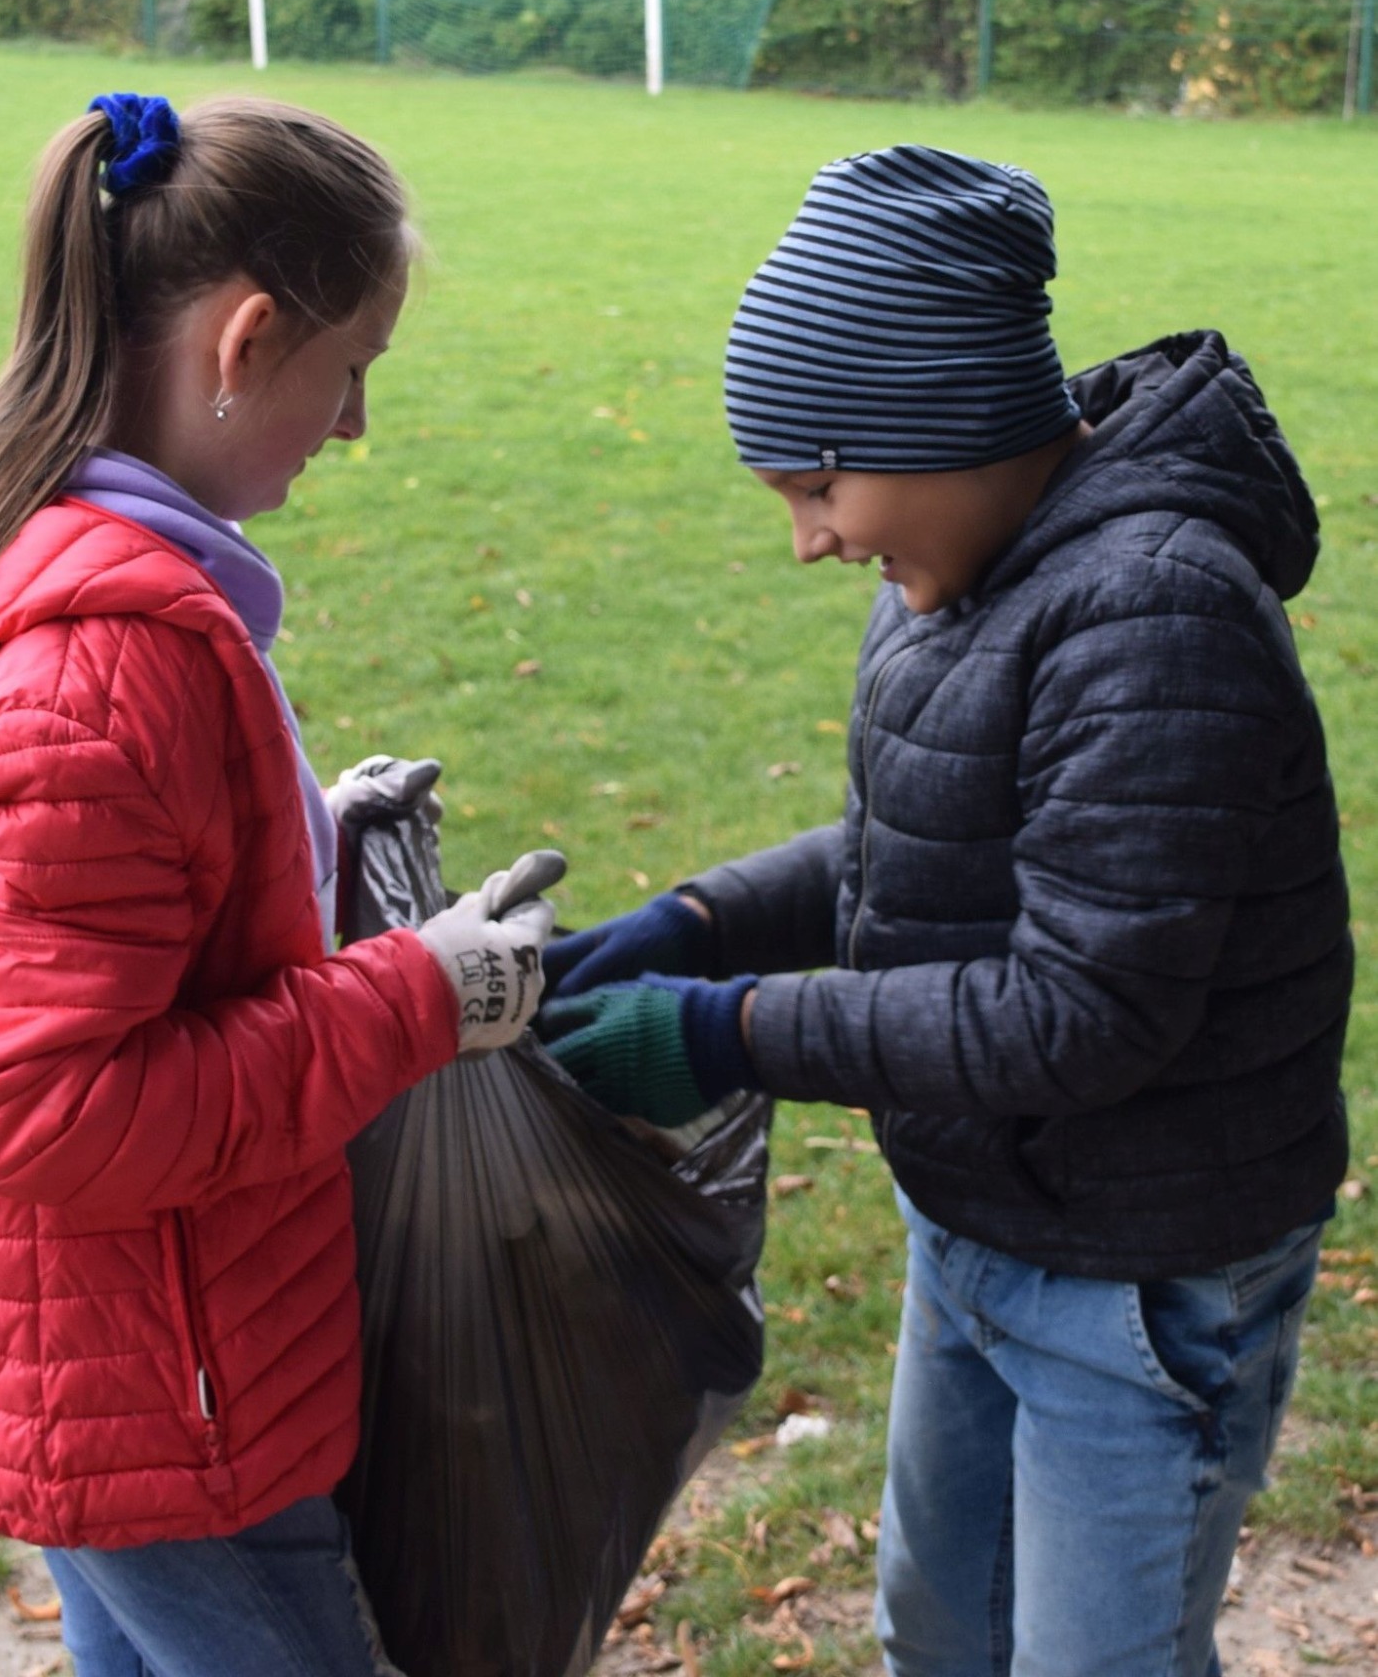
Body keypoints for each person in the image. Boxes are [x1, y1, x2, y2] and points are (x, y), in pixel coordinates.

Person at [538, 145, 1350, 1677]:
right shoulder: (968, 569)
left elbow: (1082, 1007)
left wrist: (731, 1031)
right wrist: (703, 923)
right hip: (981, 1221)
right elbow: (929, 839)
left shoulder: (1156, 611)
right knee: (941, 1626)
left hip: (1143, 1272)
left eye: (819, 485)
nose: (810, 537)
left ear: (938, 419)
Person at [0, 92, 557, 1677]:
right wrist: (429, 991)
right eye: (350, 372)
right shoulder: (104, 666)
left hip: (79, 1341)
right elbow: (59, 1108)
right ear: (246, 337)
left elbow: (78, 891)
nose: (353, 428)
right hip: (142, 1365)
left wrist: (314, 837)